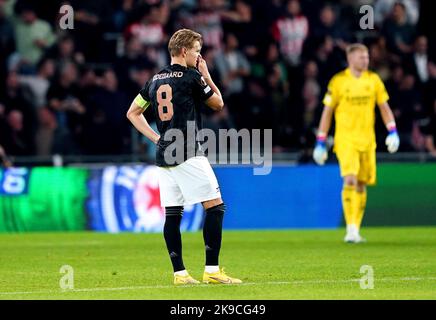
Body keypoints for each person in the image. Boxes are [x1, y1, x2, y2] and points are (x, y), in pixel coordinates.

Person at [126, 29, 242, 285]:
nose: (199, 57)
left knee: (173, 214)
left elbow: (133, 113)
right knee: (215, 206)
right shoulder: (191, 77)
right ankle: (212, 271)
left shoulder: (154, 80)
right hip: (188, 151)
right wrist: (207, 76)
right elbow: (218, 104)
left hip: (164, 153)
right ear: (183, 51)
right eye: (197, 51)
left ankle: (180, 274)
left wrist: (156, 138)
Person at [313, 44, 400, 243]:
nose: (366, 60)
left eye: (367, 56)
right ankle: (350, 230)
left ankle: (355, 228)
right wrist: (321, 141)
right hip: (346, 140)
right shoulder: (339, 81)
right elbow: (327, 112)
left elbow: (383, 106)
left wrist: (392, 130)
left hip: (368, 141)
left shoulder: (374, 80)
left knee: (361, 184)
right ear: (351, 59)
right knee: (350, 179)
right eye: (362, 57)